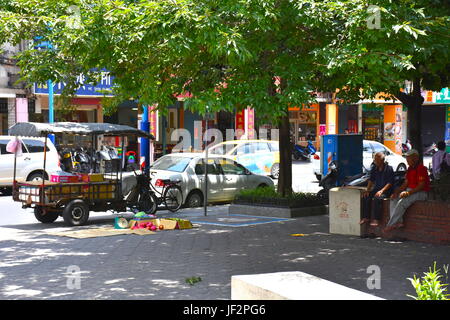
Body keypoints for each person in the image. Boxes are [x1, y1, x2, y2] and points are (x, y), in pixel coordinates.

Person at [384, 149, 430, 232]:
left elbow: (421, 186)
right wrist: (396, 192)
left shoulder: (421, 168)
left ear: (415, 158)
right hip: (410, 191)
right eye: (407, 158)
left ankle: (391, 224)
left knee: (402, 202)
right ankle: (399, 222)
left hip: (421, 192)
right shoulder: (409, 169)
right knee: (393, 198)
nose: (407, 161)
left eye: (409, 158)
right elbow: (405, 184)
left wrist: (408, 192)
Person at [360, 152, 394, 227]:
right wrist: (368, 190)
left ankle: (376, 219)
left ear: (382, 160)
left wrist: (381, 191)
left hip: (386, 191)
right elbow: (371, 180)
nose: (376, 161)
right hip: (376, 189)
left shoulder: (389, 169)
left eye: (377, 160)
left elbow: (390, 182)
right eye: (375, 160)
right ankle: (366, 217)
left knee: (377, 198)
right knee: (365, 196)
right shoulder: (374, 168)